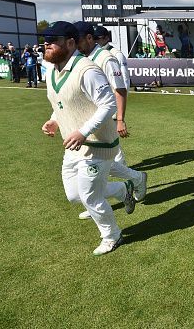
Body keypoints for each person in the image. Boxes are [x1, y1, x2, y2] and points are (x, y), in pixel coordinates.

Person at [40, 21, 136, 255]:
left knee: (90, 195)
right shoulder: (52, 70)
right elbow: (64, 102)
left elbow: (108, 104)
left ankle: (112, 235)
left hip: (97, 144)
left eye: (53, 41)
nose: (47, 45)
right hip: (73, 146)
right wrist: (54, 119)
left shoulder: (87, 70)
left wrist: (83, 131)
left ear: (70, 43)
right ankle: (123, 190)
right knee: (74, 196)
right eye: (45, 41)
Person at [74, 22, 148, 221]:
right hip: (90, 118)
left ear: (91, 39)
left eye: (79, 39)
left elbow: (120, 88)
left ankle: (132, 182)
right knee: (101, 162)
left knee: (108, 160)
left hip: (106, 117)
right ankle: (133, 180)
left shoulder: (106, 58)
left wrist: (120, 119)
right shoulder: (83, 59)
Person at [94, 26, 130, 91]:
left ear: (107, 38)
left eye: (97, 38)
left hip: (113, 97)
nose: (95, 41)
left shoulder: (117, 54)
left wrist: (121, 99)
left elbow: (125, 79)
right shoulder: (93, 54)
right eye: (94, 38)